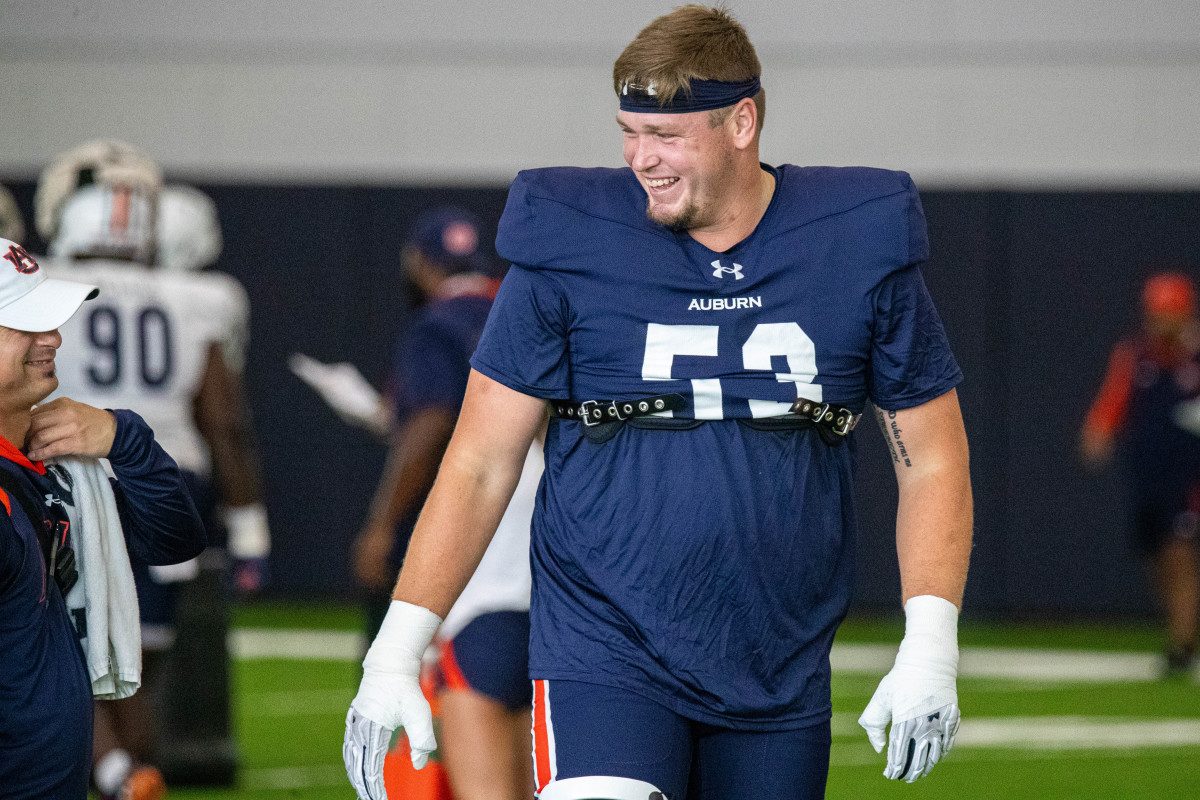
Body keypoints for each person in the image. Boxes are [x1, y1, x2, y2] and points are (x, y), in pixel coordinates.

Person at [344, 6, 973, 799]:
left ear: (743, 122)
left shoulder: (854, 241)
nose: (642, 159)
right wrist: (400, 644)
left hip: (777, 659)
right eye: (628, 132)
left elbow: (933, 458)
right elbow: (477, 462)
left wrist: (931, 643)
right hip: (604, 646)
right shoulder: (567, 242)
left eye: (666, 136)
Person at [36, 142, 269, 795]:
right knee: (136, 662)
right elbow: (224, 421)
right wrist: (249, 528)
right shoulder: (201, 297)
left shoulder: (40, 288)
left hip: (73, 479)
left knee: (55, 649)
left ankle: (111, 774)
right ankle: (129, 771)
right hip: (168, 485)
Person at [0, 236, 207, 799]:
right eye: (27, 324)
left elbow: (173, 539)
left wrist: (127, 440)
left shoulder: (39, 465)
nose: (54, 339)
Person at [350, 206, 539, 800]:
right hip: (558, 613)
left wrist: (381, 526)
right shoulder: (521, 316)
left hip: (478, 608)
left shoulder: (438, 329)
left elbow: (433, 427)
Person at [1082, 271, 1200, 676]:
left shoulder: (1195, 358)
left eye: (1170, 313)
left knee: (1179, 554)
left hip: (1188, 476)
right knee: (1158, 558)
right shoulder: (1135, 355)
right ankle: (1179, 632)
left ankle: (1182, 644)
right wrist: (1099, 430)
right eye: (1157, 312)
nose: (1162, 321)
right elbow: (1114, 399)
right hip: (1148, 473)